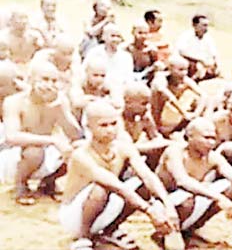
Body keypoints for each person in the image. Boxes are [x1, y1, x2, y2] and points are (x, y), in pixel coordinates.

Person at [59, 100, 179, 250]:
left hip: (105, 205)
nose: (110, 130)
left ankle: (109, 230)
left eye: (114, 123)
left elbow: (147, 176)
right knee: (101, 189)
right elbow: (115, 185)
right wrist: (149, 211)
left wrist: (168, 206)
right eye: (103, 125)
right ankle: (83, 238)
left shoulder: (123, 147)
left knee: (141, 186)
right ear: (89, 127)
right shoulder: (81, 155)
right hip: (75, 216)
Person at [157, 117, 232, 246]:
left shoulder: (213, 157)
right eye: (206, 138)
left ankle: (191, 228)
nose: (211, 143)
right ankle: (170, 231)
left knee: (230, 188)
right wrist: (217, 197)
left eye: (213, 138)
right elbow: (182, 181)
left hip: (191, 198)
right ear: (190, 137)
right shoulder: (175, 152)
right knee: (187, 202)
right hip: (164, 201)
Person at [1, 61, 82, 204]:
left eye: (54, 81)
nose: (49, 85)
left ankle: (48, 182)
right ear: (31, 80)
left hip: (45, 149)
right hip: (13, 153)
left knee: (78, 150)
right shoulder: (14, 102)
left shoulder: (60, 101)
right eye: (44, 79)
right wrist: (52, 140)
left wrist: (61, 111)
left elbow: (76, 135)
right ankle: (20, 184)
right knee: (34, 152)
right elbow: (12, 137)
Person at [83, 24, 134, 94]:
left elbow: (129, 80)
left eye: (118, 36)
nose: (115, 39)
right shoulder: (94, 53)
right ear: (104, 37)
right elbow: (84, 72)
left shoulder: (126, 57)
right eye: (112, 36)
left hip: (119, 92)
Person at [176, 14, 218, 81]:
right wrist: (200, 60)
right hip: (192, 61)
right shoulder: (186, 36)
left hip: (205, 63)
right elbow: (182, 51)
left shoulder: (208, 38)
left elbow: (214, 54)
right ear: (195, 25)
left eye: (207, 25)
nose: (206, 28)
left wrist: (216, 64)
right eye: (204, 25)